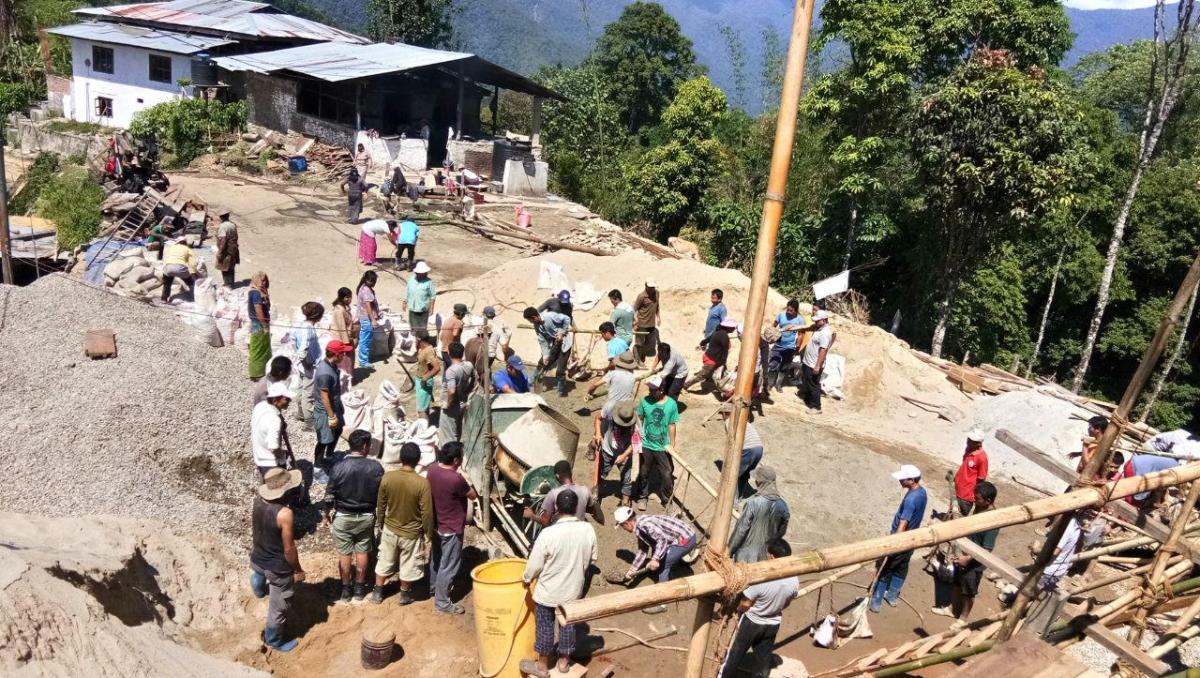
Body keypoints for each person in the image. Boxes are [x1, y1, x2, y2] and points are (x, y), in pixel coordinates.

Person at [521, 491, 598, 678]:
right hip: (572, 591)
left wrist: (527, 578)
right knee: (568, 626)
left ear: (556, 508)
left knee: (545, 627)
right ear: (576, 507)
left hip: (548, 592)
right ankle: (564, 663)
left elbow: (535, 565)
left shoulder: (548, 533)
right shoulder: (588, 530)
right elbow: (592, 559)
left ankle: (542, 667)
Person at [717, 539, 800, 678]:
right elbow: (787, 603)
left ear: (772, 557)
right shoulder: (794, 580)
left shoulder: (763, 578)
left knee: (734, 655)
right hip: (773, 623)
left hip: (752, 623)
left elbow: (746, 604)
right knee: (762, 661)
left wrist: (737, 608)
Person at [325, 429, 384, 604]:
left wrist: (327, 512)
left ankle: (345, 589)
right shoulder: (375, 467)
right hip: (366, 517)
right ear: (365, 446)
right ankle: (359, 588)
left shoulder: (338, 467)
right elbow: (381, 494)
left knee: (345, 553)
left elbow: (329, 494)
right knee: (363, 550)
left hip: (343, 516)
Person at [250, 467, 306, 652]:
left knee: (258, 576)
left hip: (258, 556)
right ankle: (273, 639)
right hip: (277, 568)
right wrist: (298, 570)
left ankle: (259, 591)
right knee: (279, 608)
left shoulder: (258, 502)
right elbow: (289, 549)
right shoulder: (284, 514)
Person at [372, 443, 434, 605]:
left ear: (400, 458)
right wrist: (428, 534)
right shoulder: (422, 483)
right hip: (412, 534)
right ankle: (405, 594)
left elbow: (381, 504)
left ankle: (377, 592)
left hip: (390, 529)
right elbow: (426, 513)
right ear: (419, 459)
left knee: (385, 560)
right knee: (408, 564)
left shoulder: (388, 477)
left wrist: (380, 523)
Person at [932, 481, 998, 624]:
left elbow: (987, 549)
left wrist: (967, 559)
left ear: (988, 501)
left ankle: (963, 618)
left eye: (978, 498)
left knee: (968, 590)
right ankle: (952, 609)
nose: (974, 499)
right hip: (964, 554)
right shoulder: (979, 509)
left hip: (975, 562)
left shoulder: (993, 521)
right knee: (957, 583)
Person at [426, 442, 478, 614]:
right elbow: (473, 495)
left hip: (437, 523)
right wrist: (464, 477)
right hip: (452, 527)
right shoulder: (456, 479)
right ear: (456, 460)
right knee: (449, 565)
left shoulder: (432, 470)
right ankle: (442, 602)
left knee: (437, 559)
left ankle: (434, 588)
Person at [871, 464, 927, 612]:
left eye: (903, 479)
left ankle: (876, 602)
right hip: (912, 538)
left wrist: (893, 545)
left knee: (886, 569)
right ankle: (893, 596)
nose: (900, 481)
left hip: (901, 539)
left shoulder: (911, 500)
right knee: (902, 568)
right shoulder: (922, 493)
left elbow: (903, 524)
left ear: (912, 480)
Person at [616, 507, 697, 589]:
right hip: (673, 537)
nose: (624, 529)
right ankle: (671, 558)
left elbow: (662, 540)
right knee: (658, 555)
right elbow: (642, 551)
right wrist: (632, 570)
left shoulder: (645, 525)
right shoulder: (639, 526)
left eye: (623, 527)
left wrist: (655, 559)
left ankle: (664, 591)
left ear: (627, 523)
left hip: (686, 538)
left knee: (663, 565)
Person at [729, 466, 790, 564]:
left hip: (744, 559)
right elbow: (781, 533)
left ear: (761, 482)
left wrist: (729, 552)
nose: (756, 482)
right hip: (766, 560)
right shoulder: (783, 506)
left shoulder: (753, 503)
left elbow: (740, 531)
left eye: (757, 479)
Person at [637, 376, 679, 510]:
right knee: (643, 472)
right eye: (650, 389)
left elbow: (672, 424)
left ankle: (667, 499)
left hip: (663, 446)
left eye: (653, 389)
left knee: (667, 473)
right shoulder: (644, 401)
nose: (650, 392)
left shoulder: (672, 404)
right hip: (647, 445)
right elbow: (640, 420)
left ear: (661, 390)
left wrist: (672, 444)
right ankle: (643, 496)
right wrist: (638, 440)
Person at [314, 341, 355, 469]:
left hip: (335, 406)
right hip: (325, 411)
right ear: (336, 354)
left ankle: (330, 454)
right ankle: (318, 466)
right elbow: (324, 396)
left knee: (338, 430)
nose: (344, 356)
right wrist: (331, 416)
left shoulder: (332, 365)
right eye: (343, 353)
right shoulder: (325, 372)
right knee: (324, 440)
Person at [595, 399, 637, 506]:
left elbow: (636, 443)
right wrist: (599, 434)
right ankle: (596, 496)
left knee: (626, 479)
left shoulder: (636, 423)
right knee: (601, 474)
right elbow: (598, 418)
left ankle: (625, 502)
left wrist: (624, 456)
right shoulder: (609, 409)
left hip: (625, 452)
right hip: (607, 450)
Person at [525, 306, 574, 397]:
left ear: (534, 317)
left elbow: (567, 318)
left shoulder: (550, 316)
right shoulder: (537, 326)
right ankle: (532, 381)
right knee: (542, 363)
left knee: (560, 369)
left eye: (530, 320)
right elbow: (542, 341)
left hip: (564, 344)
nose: (531, 322)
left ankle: (561, 389)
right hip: (554, 345)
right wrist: (545, 356)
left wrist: (562, 332)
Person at [525, 460, 591, 527]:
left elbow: (545, 522)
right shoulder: (585, 490)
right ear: (571, 472)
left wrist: (532, 515)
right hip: (579, 531)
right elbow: (592, 509)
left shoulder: (553, 494)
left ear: (557, 476)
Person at [720, 403, 765, 499]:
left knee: (733, 475)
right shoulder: (745, 421)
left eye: (722, 414)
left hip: (748, 449)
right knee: (744, 474)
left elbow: (732, 442)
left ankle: (732, 501)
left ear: (725, 413)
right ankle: (739, 496)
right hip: (759, 449)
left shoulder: (729, 421)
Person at [251, 383, 296, 477]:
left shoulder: (260, 406)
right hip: (270, 463)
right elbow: (274, 447)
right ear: (275, 400)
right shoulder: (274, 420)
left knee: (268, 483)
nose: (290, 400)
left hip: (259, 454)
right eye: (286, 399)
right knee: (279, 488)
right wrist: (283, 456)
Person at [291, 302, 324, 426]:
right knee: (308, 394)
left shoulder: (302, 325)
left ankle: (300, 414)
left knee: (301, 389)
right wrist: (307, 363)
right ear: (317, 316)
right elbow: (303, 349)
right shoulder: (308, 329)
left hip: (302, 366)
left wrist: (300, 360)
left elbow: (293, 340)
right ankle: (309, 421)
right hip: (309, 366)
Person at [439, 342, 475, 445]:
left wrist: (449, 403)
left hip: (452, 406)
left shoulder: (451, 370)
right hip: (462, 402)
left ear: (449, 353)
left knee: (449, 435)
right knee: (459, 431)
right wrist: (468, 390)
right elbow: (474, 380)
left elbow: (452, 391)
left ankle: (451, 457)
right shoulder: (468, 365)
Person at [687, 318, 735, 393]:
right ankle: (686, 385)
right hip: (711, 360)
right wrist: (723, 363)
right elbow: (725, 352)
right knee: (702, 375)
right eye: (733, 327)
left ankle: (711, 382)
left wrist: (702, 343)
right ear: (728, 327)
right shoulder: (724, 336)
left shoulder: (718, 332)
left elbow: (708, 339)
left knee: (717, 372)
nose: (734, 329)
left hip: (710, 357)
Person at [798, 310, 833, 412]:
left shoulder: (825, 333)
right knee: (808, 381)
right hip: (808, 362)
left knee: (814, 384)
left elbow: (823, 350)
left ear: (824, 320)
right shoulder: (819, 328)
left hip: (814, 364)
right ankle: (808, 400)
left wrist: (818, 366)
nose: (815, 322)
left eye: (817, 321)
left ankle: (816, 407)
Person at [768, 299, 806, 392]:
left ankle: (778, 384)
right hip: (778, 345)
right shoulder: (781, 315)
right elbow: (773, 326)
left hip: (790, 347)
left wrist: (797, 346)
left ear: (796, 311)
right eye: (787, 310)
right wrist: (771, 337)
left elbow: (801, 334)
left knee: (784, 367)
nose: (788, 312)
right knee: (773, 364)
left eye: (791, 311)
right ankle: (770, 384)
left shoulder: (800, 320)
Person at [587, 351, 637, 419]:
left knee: (598, 419)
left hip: (611, 407)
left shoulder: (613, 374)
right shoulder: (633, 377)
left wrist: (589, 393)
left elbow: (595, 385)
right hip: (625, 408)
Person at [954, 428, 989, 516]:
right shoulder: (968, 449)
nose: (968, 442)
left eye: (971, 441)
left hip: (967, 494)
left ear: (979, 443)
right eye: (968, 439)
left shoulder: (982, 458)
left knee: (961, 515)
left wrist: (975, 495)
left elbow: (981, 479)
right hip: (958, 488)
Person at [403, 261, 437, 339]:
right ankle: (415, 342)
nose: (424, 274)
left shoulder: (429, 282)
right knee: (413, 328)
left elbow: (433, 296)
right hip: (413, 309)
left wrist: (431, 308)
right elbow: (407, 290)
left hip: (423, 310)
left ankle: (422, 342)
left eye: (425, 273)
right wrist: (405, 301)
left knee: (422, 329)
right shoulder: (411, 279)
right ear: (417, 273)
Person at [248, 271, 272, 380]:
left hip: (263, 323)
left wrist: (266, 295)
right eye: (261, 280)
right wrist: (264, 325)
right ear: (255, 280)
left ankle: (264, 369)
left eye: (265, 280)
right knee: (258, 348)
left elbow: (268, 306)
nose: (263, 282)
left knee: (264, 347)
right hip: (259, 324)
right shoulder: (255, 293)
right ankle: (256, 374)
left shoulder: (261, 291)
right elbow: (259, 311)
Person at [329, 287, 356, 379]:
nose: (350, 299)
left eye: (350, 297)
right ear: (342, 298)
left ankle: (348, 375)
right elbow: (341, 327)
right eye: (347, 297)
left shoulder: (343, 308)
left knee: (349, 358)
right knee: (345, 359)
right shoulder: (340, 310)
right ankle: (346, 376)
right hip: (342, 339)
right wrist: (346, 342)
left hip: (346, 337)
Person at [160, 238, 197, 303]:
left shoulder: (172, 247)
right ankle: (194, 296)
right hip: (180, 268)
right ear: (185, 243)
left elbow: (165, 257)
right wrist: (194, 272)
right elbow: (193, 263)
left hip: (168, 266)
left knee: (167, 284)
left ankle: (164, 299)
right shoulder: (188, 249)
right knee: (190, 282)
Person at [356, 271, 380, 369]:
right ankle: (363, 361)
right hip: (366, 318)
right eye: (371, 281)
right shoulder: (366, 291)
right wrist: (373, 320)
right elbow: (368, 307)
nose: (373, 283)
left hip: (365, 317)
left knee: (366, 339)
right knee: (365, 340)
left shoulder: (363, 287)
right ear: (366, 280)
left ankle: (364, 358)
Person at [633, 281, 660, 365]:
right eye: (650, 287)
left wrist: (659, 317)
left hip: (651, 324)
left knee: (650, 343)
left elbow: (657, 305)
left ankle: (641, 355)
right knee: (639, 343)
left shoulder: (657, 293)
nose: (652, 289)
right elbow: (634, 309)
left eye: (653, 287)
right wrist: (634, 323)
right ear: (646, 286)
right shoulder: (641, 296)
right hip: (641, 324)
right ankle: (637, 360)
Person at [414, 334, 441, 418]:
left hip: (424, 382)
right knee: (423, 407)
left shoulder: (428, 351)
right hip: (420, 381)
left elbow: (437, 368)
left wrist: (425, 378)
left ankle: (424, 429)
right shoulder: (423, 349)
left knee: (422, 410)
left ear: (418, 338)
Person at [214, 209, 239, 287]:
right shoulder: (233, 224)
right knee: (231, 267)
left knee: (224, 267)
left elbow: (223, 240)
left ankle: (227, 284)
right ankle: (231, 283)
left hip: (226, 249)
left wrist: (220, 252)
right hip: (233, 248)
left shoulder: (223, 226)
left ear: (221, 217)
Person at [441, 303, 468, 370]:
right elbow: (455, 334)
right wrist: (460, 325)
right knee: (455, 371)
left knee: (447, 372)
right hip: (451, 352)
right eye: (464, 314)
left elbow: (441, 336)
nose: (464, 316)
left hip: (444, 351)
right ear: (461, 314)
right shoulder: (458, 322)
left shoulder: (448, 320)